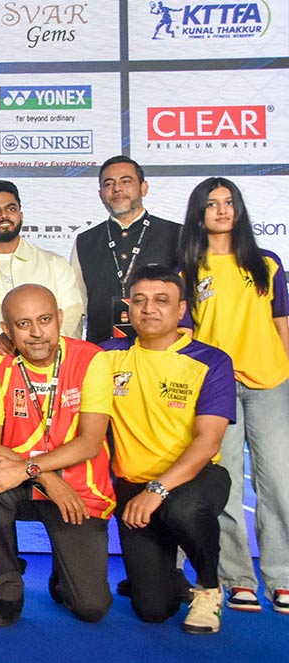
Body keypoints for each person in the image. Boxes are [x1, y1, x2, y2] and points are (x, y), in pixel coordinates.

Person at [0, 284, 115, 626]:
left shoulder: (90, 359)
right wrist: (42, 475)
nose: (36, 333)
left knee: (91, 608)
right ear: (6, 330)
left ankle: (63, 577)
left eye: (45, 320)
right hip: (29, 483)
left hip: (78, 490)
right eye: (23, 324)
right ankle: (6, 592)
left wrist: (33, 469)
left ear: (60, 319)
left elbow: (90, 442)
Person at [177, 177, 289, 615]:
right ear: (199, 215)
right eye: (211, 204)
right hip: (216, 390)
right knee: (222, 487)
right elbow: (186, 337)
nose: (221, 211)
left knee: (278, 484)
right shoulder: (188, 269)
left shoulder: (267, 264)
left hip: (270, 384)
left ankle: (280, 577)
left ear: (238, 210)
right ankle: (237, 578)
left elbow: (282, 324)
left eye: (229, 203)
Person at [103, 264, 233, 633]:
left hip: (193, 479)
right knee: (153, 610)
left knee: (183, 509)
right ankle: (169, 576)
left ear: (181, 310)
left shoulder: (210, 361)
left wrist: (157, 489)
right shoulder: (106, 356)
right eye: (140, 301)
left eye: (162, 300)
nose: (149, 309)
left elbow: (207, 442)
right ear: (128, 308)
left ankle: (209, 587)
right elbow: (52, 352)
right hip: (132, 486)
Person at [0, 180, 83, 363]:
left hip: (53, 371)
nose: (4, 216)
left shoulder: (54, 264)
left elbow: (72, 317)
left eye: (11, 209)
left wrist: (44, 354)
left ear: (21, 215)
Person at [71, 156, 179, 344]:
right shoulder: (85, 241)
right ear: (101, 194)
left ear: (144, 188)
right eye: (108, 184)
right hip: (101, 352)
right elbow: (75, 306)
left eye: (126, 181)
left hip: (163, 353)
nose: (117, 189)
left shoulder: (177, 235)